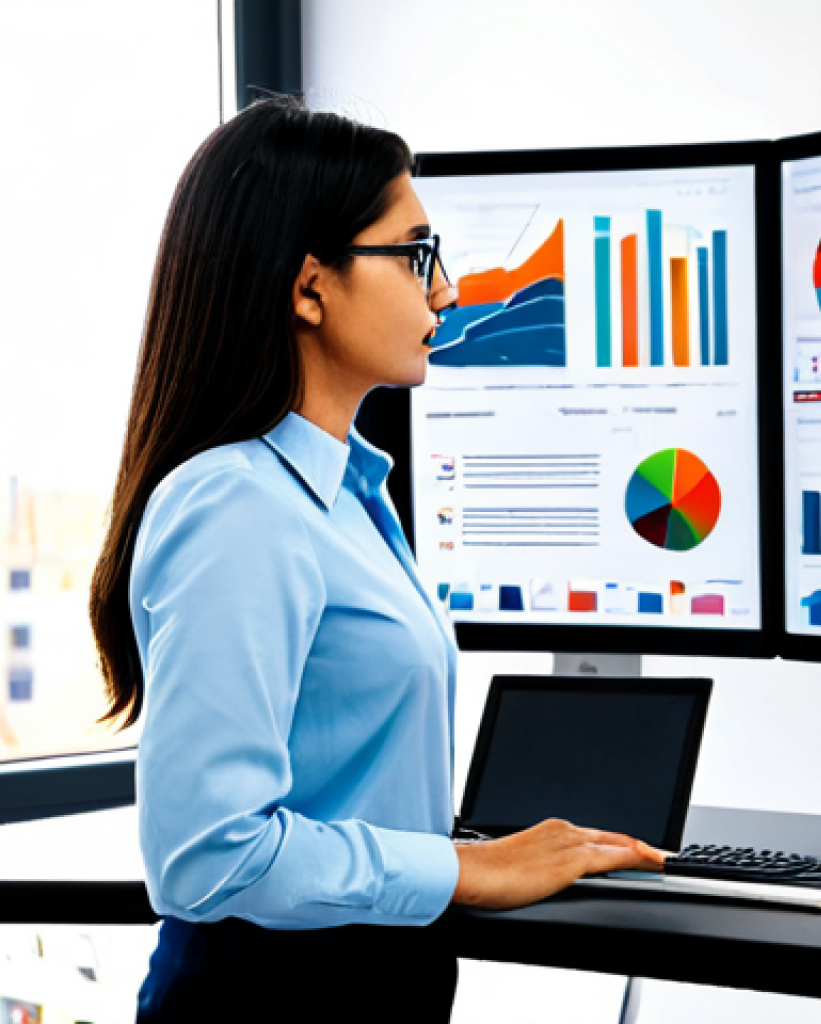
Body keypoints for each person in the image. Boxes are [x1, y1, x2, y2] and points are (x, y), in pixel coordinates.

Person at [89, 95, 664, 1022]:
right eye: (416, 257)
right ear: (310, 286)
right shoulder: (238, 504)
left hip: (369, 989)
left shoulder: (352, 490)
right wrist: (462, 868)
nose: (444, 292)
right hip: (270, 1003)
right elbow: (206, 854)